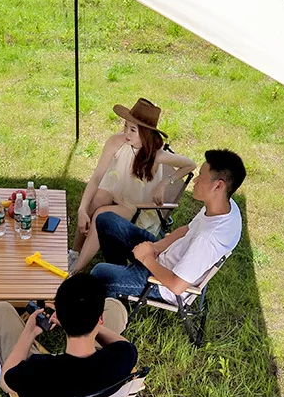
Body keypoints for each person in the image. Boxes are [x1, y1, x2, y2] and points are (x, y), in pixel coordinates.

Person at [90, 149, 246, 304]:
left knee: (99, 273)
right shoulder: (225, 207)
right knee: (106, 219)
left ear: (218, 186)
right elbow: (186, 229)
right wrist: (155, 247)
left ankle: (118, 292)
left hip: (161, 283)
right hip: (164, 255)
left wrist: (146, 258)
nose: (195, 180)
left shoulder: (207, 239)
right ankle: (121, 276)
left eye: (201, 177)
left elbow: (176, 286)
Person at [69, 98, 197, 274]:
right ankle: (74, 253)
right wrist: (82, 210)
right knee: (95, 199)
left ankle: (75, 270)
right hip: (114, 190)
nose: (126, 133)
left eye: (133, 130)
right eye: (125, 126)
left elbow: (191, 164)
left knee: (100, 215)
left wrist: (165, 183)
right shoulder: (116, 141)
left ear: (146, 133)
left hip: (135, 205)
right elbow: (97, 176)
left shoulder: (156, 155)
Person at [0, 274, 138, 397]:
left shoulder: (39, 371)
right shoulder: (122, 356)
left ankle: (0, 365)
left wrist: (29, 333)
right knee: (114, 306)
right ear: (100, 319)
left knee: (0, 309)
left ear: (59, 317)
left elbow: (6, 380)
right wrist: (88, 321)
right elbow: (123, 344)